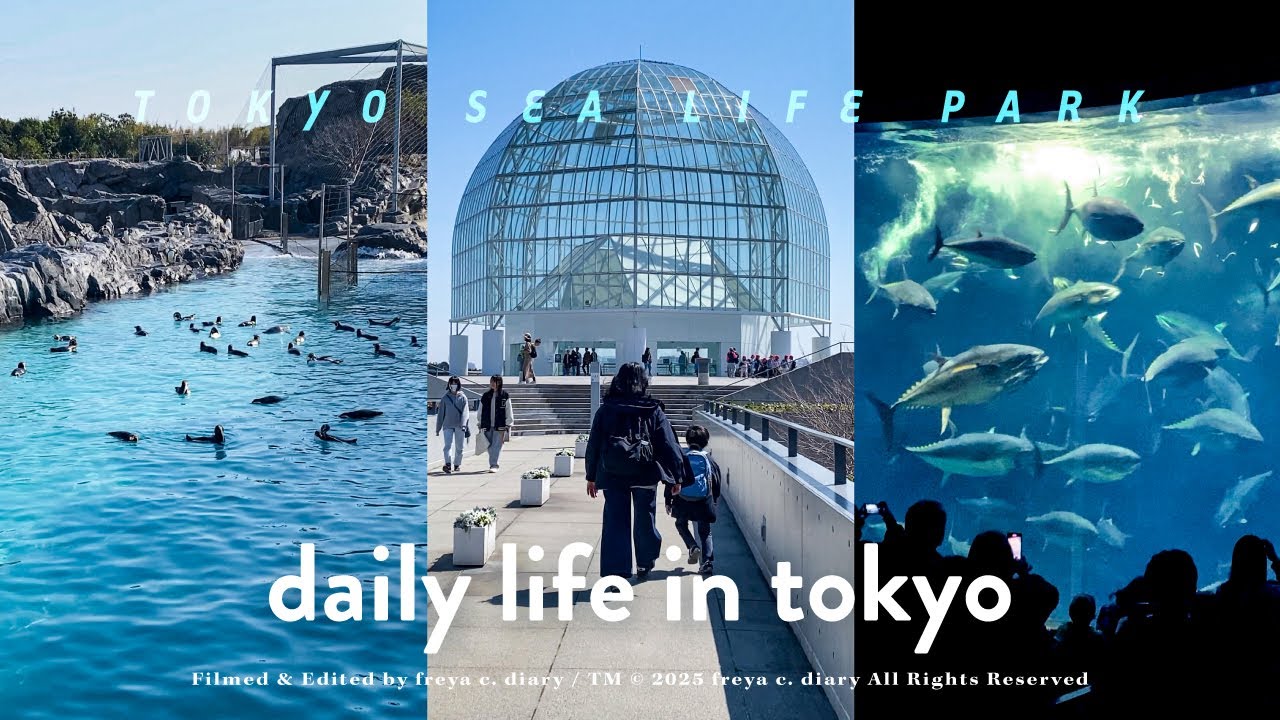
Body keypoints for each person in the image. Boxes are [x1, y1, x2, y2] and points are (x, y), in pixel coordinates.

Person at [584, 362, 685, 580]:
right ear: (644, 382)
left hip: (612, 474)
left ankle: (616, 571)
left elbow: (594, 445)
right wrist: (676, 476)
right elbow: (668, 443)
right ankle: (644, 562)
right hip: (645, 473)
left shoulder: (606, 409)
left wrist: (591, 476)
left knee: (615, 522)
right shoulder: (653, 409)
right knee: (645, 519)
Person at [665, 424, 721, 575]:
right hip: (703, 500)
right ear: (706, 441)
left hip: (682, 500)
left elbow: (672, 478)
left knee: (681, 524)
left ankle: (692, 546)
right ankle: (707, 562)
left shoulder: (682, 457)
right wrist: (714, 499)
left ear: (687, 441)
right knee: (705, 532)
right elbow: (716, 480)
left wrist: (668, 500)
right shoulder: (709, 459)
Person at [478, 375, 514, 472]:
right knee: (489, 446)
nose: (493, 384)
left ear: (500, 383)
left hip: (500, 425)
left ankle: (494, 465)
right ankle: (493, 462)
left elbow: (508, 410)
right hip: (487, 424)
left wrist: (508, 424)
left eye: (495, 382)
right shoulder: (485, 396)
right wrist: (479, 423)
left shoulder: (504, 395)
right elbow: (480, 410)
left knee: (496, 446)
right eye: (491, 381)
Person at [435, 376, 470, 474]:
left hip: (460, 425)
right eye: (452, 383)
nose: (453, 385)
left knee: (459, 446)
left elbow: (465, 412)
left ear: (458, 384)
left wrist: (464, 425)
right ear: (449, 385)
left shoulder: (463, 397)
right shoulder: (445, 398)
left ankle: (457, 464)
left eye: (455, 383)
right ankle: (448, 464)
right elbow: (441, 414)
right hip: (447, 425)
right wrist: (438, 428)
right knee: (447, 446)